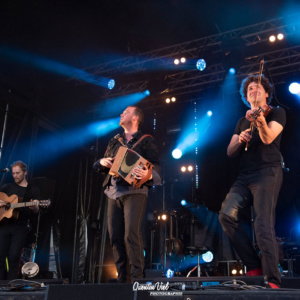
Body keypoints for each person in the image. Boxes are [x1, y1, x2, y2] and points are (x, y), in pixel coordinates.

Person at [218, 75, 286, 289]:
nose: (253, 90)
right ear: (246, 98)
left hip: (268, 172)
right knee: (226, 215)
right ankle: (253, 264)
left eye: (258, 88)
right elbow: (229, 151)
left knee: (263, 225)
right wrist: (240, 139)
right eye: (249, 90)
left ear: (267, 93)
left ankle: (273, 279)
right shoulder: (242, 121)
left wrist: (260, 120)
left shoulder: (277, 113)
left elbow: (268, 138)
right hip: (245, 175)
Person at [93, 106, 161, 283]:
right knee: (115, 236)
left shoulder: (146, 141)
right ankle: (123, 279)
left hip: (135, 191)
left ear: (135, 118)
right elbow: (101, 163)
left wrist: (148, 174)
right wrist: (102, 161)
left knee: (131, 234)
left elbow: (156, 167)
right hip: (113, 192)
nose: (122, 114)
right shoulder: (114, 141)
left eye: (126, 112)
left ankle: (137, 278)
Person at [0, 161, 40, 280]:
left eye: (18, 173)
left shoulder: (32, 189)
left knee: (14, 256)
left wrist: (36, 206)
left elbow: (36, 211)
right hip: (4, 226)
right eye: (13, 173)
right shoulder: (7, 187)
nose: (15, 176)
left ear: (25, 173)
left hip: (20, 226)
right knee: (0, 256)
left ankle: (11, 283)